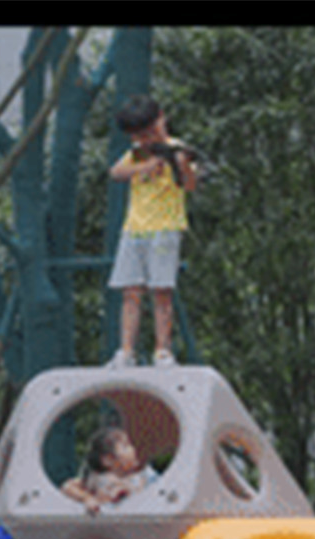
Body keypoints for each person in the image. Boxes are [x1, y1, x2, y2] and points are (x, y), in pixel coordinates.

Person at [106, 94, 200, 368]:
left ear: (161, 118)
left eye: (149, 132)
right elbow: (116, 172)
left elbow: (190, 185)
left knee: (162, 292)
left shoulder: (178, 147)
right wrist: (144, 166)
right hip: (134, 228)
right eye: (139, 136)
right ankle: (126, 352)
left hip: (165, 228)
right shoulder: (138, 152)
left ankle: (163, 351)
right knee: (131, 292)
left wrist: (181, 165)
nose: (145, 139)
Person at [61, 426, 158, 515]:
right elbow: (67, 486)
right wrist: (87, 498)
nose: (132, 449)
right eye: (125, 446)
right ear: (108, 460)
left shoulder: (145, 475)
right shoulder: (98, 478)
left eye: (130, 445)